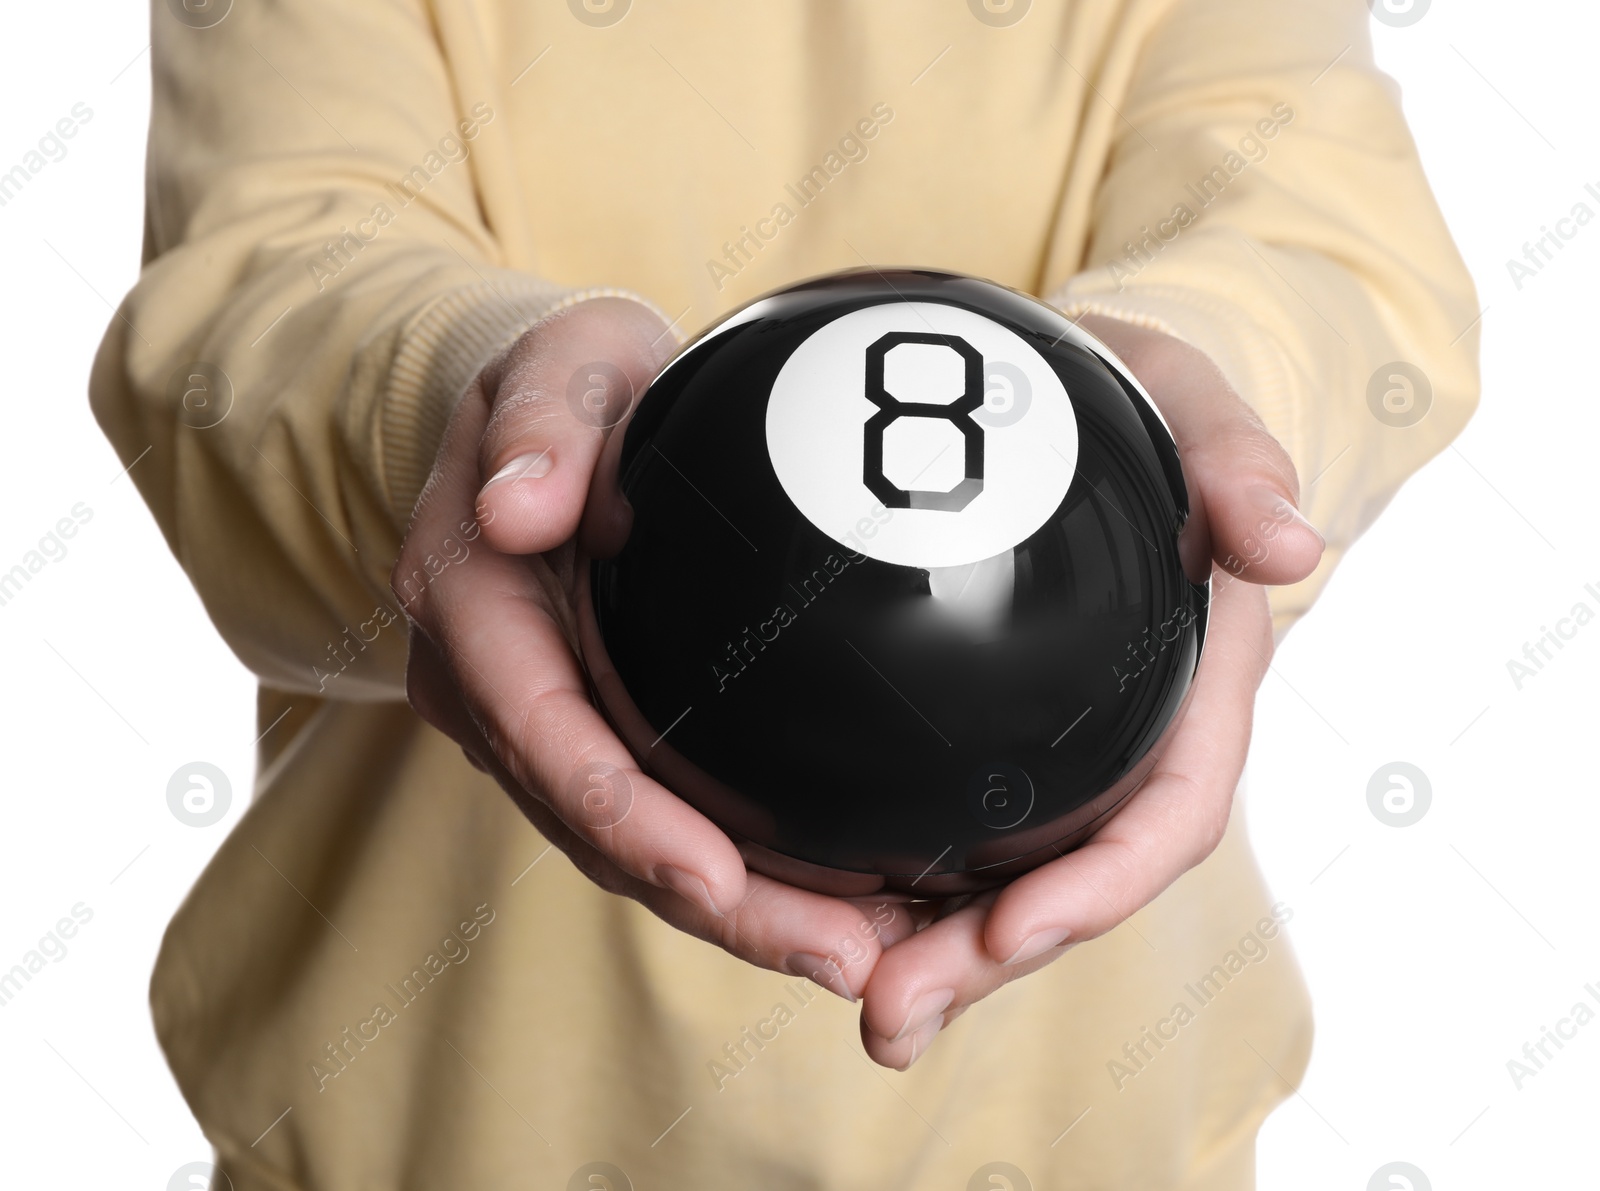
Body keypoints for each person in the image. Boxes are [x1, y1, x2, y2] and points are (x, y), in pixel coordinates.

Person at [91, 0, 1479, 1186]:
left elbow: (1323, 234)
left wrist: (1191, 401)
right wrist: (474, 402)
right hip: (428, 1131)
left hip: (1090, 1134)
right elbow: (248, 301)